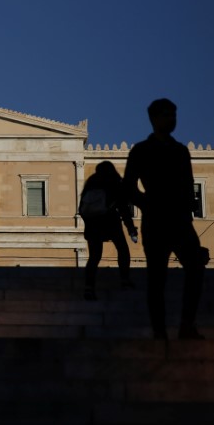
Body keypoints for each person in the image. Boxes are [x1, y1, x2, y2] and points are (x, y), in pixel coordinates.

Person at [123, 99, 207, 340]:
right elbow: (128, 187)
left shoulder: (181, 151)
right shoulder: (141, 151)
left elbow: (189, 184)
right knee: (157, 277)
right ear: (154, 119)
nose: (172, 119)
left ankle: (186, 324)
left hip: (180, 221)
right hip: (156, 221)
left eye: (174, 114)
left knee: (195, 268)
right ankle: (159, 331)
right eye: (166, 115)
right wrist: (147, 204)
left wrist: (188, 206)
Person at [80, 161, 138, 300]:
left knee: (94, 257)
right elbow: (123, 207)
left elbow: (82, 208)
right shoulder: (114, 181)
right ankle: (124, 279)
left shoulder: (91, 181)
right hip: (110, 222)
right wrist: (130, 227)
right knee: (122, 249)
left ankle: (89, 287)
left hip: (93, 224)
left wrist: (89, 222)